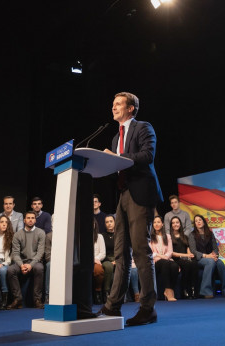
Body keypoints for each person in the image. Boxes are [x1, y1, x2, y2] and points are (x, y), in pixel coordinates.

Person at [100, 91, 163, 326]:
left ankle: (148, 308)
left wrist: (119, 159)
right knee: (120, 253)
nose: (113, 107)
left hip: (141, 193)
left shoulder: (143, 127)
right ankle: (112, 305)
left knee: (140, 250)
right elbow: (118, 165)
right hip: (123, 195)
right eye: (113, 103)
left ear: (130, 109)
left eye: (118, 104)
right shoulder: (116, 138)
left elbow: (148, 155)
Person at [6, 211, 45, 309]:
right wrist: (21, 265)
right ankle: (17, 298)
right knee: (11, 270)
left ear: (35, 220)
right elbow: (15, 253)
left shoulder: (40, 232)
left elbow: (40, 253)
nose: (30, 220)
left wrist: (31, 265)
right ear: (24, 220)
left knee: (39, 268)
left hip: (35, 262)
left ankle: (37, 299)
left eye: (32, 218)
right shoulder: (18, 234)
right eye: (28, 218)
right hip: (22, 262)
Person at [188, 214, 225, 299]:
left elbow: (215, 248)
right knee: (210, 262)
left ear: (204, 222)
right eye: (196, 221)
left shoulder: (210, 234)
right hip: (199, 259)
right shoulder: (192, 235)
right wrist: (206, 256)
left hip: (211, 257)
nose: (198, 222)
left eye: (200, 220)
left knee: (220, 263)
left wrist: (214, 255)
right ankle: (206, 291)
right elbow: (193, 251)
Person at [149, 216, 179, 301]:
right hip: (155, 262)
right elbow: (151, 253)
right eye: (154, 222)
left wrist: (165, 257)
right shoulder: (150, 237)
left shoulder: (168, 236)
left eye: (158, 222)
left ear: (162, 224)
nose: (156, 224)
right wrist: (162, 257)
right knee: (165, 263)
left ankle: (170, 290)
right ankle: (169, 292)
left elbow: (170, 251)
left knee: (175, 266)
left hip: (166, 260)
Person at [170, 216, 198, 299]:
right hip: (176, 259)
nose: (175, 224)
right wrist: (186, 255)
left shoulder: (185, 236)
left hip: (185, 258)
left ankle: (193, 289)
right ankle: (185, 290)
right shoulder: (169, 237)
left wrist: (190, 256)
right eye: (173, 223)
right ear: (171, 225)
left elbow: (187, 248)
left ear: (180, 224)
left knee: (194, 263)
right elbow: (171, 253)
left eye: (177, 222)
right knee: (187, 264)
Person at [100, 215, 115, 300]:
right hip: (106, 259)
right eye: (107, 222)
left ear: (115, 222)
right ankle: (106, 291)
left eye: (111, 221)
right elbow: (102, 252)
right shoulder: (102, 236)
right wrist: (110, 261)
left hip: (117, 258)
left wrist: (116, 261)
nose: (109, 224)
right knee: (109, 266)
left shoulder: (120, 235)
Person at [93, 220, 107, 304]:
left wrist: (95, 259)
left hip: (96, 260)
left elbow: (103, 253)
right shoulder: (81, 236)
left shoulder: (99, 237)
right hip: (85, 261)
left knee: (98, 270)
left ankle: (98, 291)